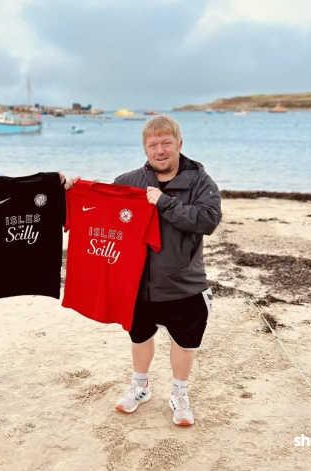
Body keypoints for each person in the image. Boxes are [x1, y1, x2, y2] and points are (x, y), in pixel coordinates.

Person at [113, 115, 221, 426]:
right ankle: (140, 386)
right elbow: (102, 209)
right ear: (145, 148)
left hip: (184, 282)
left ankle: (179, 393)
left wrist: (165, 203)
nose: (160, 150)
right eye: (153, 145)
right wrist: (71, 188)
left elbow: (208, 220)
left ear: (179, 144)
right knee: (139, 336)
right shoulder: (128, 181)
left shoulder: (200, 181)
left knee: (184, 342)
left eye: (166, 143)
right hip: (139, 282)